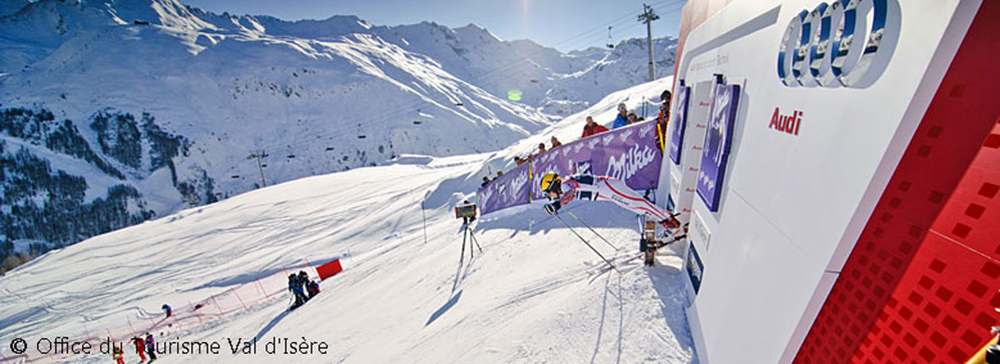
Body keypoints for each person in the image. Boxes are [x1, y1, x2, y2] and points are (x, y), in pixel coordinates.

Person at [539, 172, 680, 230]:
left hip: (610, 188)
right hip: (609, 193)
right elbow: (569, 197)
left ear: (553, 186)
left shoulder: (566, 184)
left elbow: (571, 192)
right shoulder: (565, 189)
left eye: (549, 193)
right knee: (638, 208)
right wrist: (556, 205)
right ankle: (665, 219)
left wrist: (556, 204)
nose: (550, 196)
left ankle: (668, 219)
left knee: (640, 205)